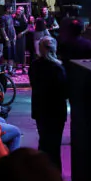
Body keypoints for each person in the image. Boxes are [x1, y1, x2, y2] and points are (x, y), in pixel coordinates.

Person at [27, 37, 68, 174]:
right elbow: (64, 91)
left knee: (44, 141)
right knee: (54, 145)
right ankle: (54, 174)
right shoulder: (58, 68)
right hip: (56, 111)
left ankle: (40, 172)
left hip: (41, 109)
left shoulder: (34, 65)